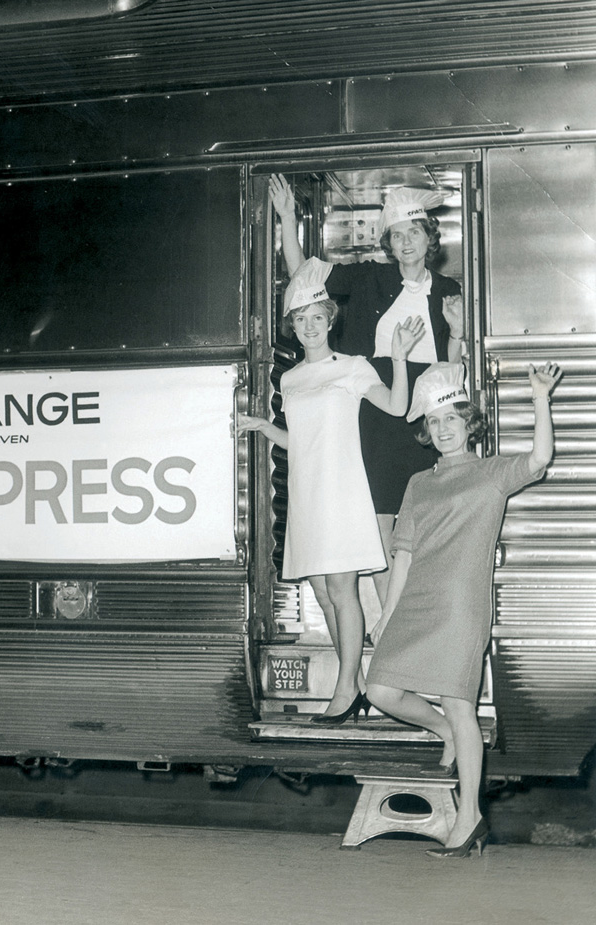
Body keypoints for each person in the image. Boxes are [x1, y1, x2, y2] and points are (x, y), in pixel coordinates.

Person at [366, 361, 561, 858]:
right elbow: (403, 553)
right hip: (415, 598)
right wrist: (386, 615)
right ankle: (444, 731)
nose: (444, 428)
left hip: (459, 601)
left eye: (452, 417)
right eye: (434, 422)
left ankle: (469, 815)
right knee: (381, 689)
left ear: (469, 421)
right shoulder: (418, 482)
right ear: (427, 432)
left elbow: (539, 459)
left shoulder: (491, 472)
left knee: (460, 705)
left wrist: (540, 396)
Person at [240, 257, 424, 723]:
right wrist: (266, 426)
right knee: (323, 592)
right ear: (293, 327)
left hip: (341, 491)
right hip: (307, 493)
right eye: (300, 321)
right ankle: (356, 683)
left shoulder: (354, 367)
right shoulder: (290, 378)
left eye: (316, 318)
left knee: (342, 590)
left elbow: (399, 406)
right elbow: (301, 439)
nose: (309, 327)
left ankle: (346, 689)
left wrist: (398, 359)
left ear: (329, 320)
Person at [269, 175, 465, 604]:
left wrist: (456, 334)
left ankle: (417, 614)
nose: (406, 242)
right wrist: (287, 216)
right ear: (388, 245)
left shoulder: (451, 291)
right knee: (379, 520)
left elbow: (453, 371)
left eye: (414, 232)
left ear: (429, 238)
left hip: (429, 409)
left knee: (424, 518)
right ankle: (390, 621)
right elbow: (304, 276)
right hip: (378, 407)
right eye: (397, 236)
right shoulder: (366, 278)